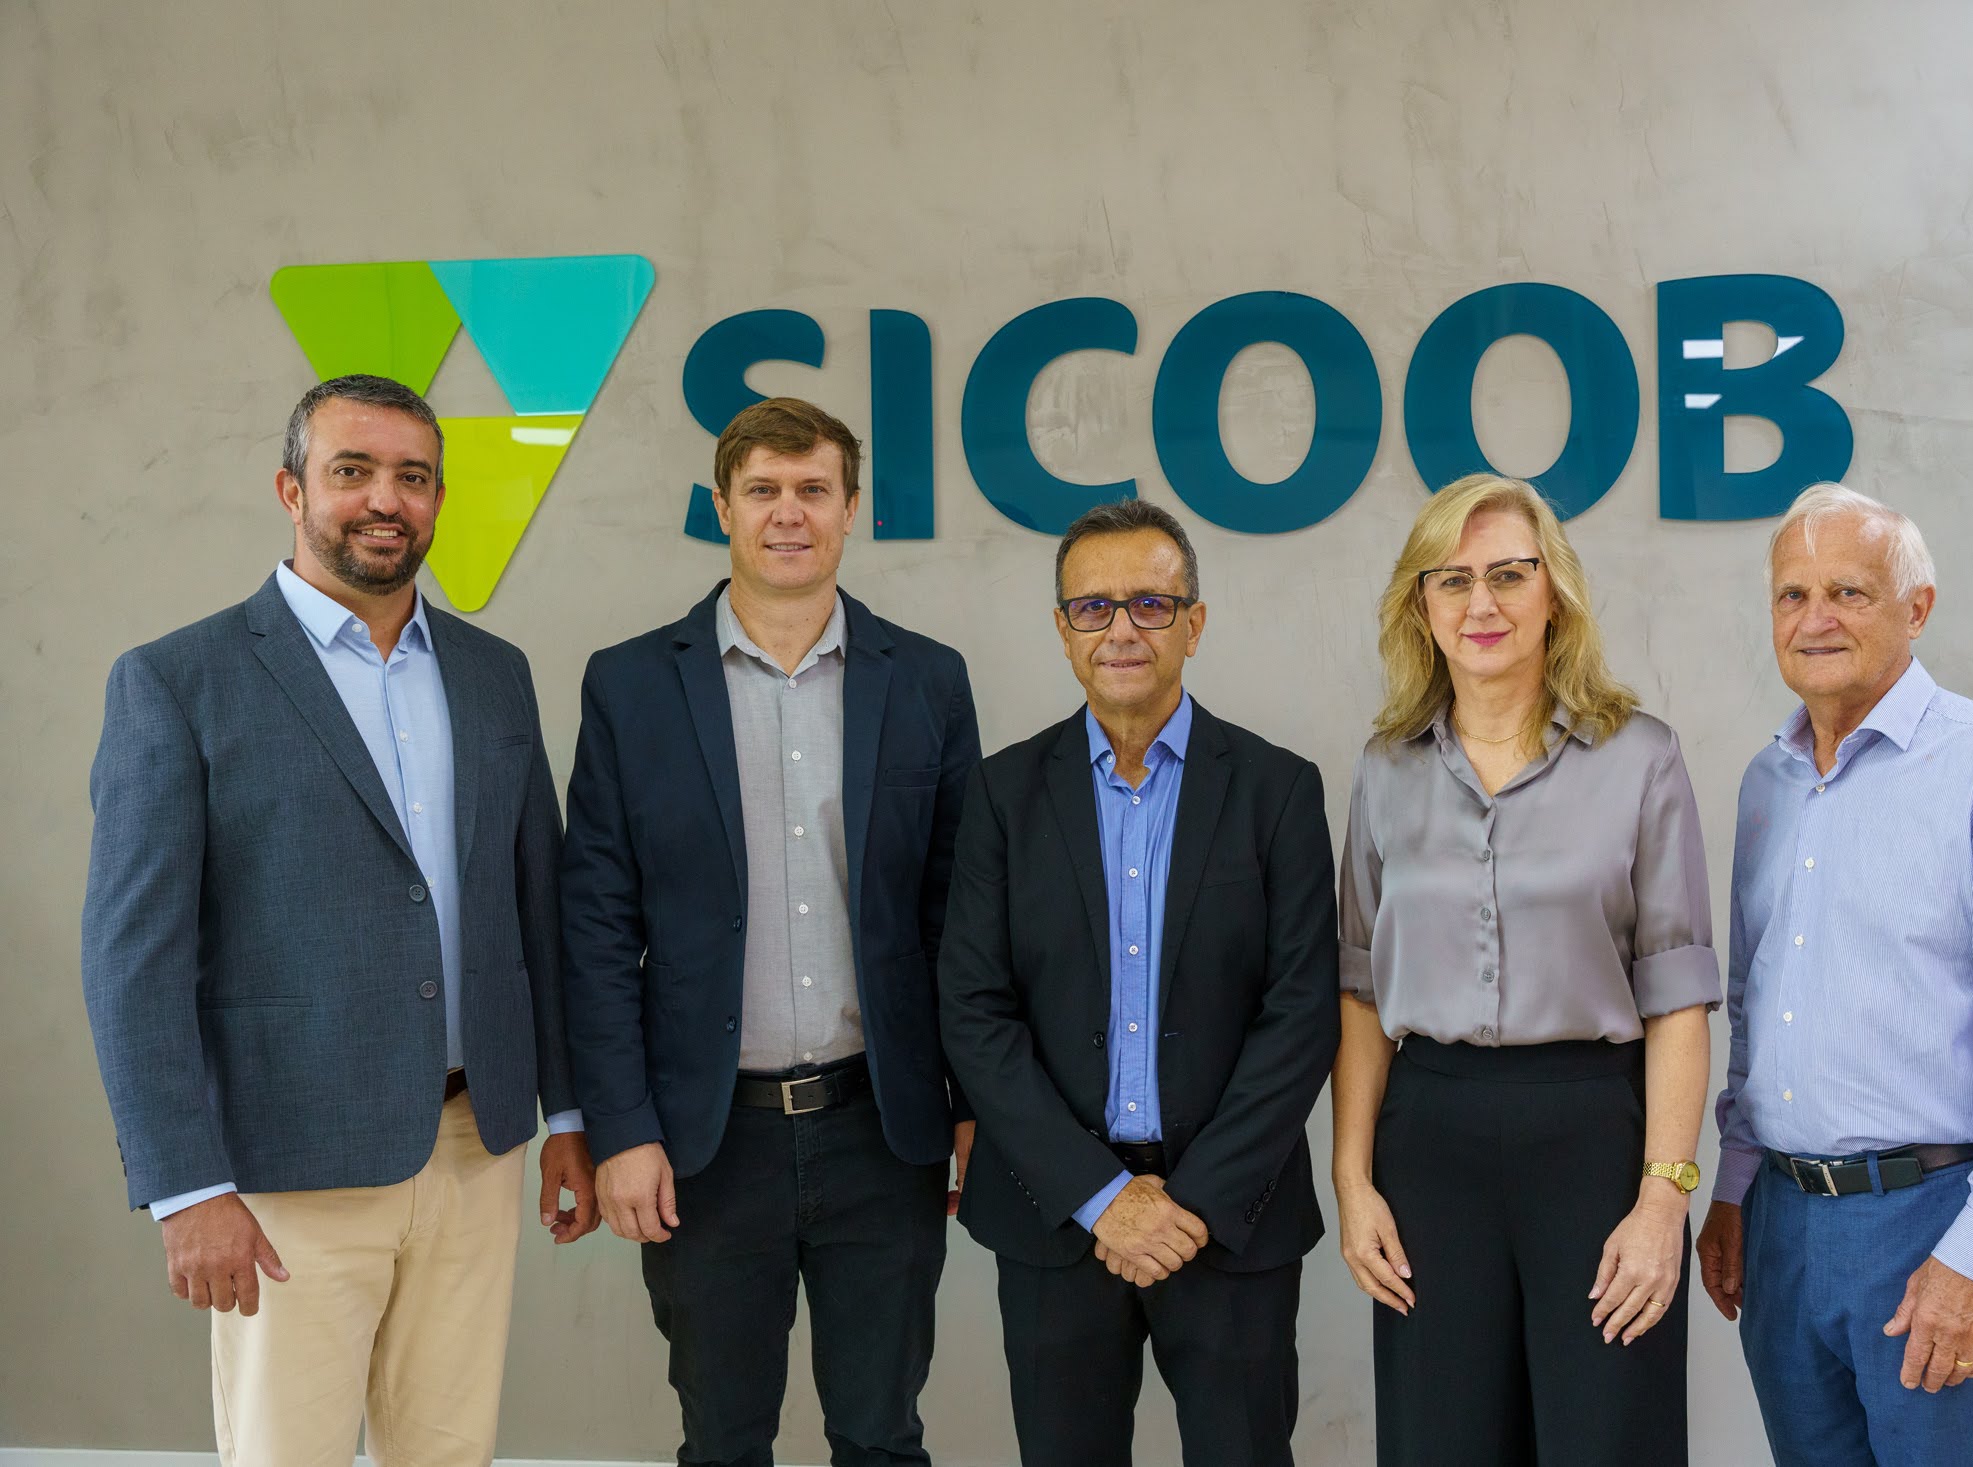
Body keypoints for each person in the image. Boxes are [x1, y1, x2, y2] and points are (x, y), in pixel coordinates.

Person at [80, 373, 596, 1467]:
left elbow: (536, 912)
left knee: (449, 1452)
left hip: (475, 1148)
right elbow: (133, 963)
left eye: (413, 476)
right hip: (286, 1162)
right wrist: (187, 1186)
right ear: (291, 489)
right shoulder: (177, 681)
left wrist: (567, 1113)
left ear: (439, 499)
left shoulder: (494, 677)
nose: (384, 499)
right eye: (351, 470)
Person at [560, 396, 980, 1467]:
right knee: (723, 1440)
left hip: (881, 1129)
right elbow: (595, 924)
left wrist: (972, 1105)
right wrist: (620, 1128)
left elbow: (961, 914)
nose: (788, 513)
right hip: (704, 1143)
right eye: (763, 490)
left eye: (812, 490)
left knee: (881, 1436)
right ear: (722, 506)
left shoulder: (928, 679)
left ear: (850, 509)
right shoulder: (629, 685)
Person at [1698, 483, 1973, 1467]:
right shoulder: (1768, 783)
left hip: (1938, 1219)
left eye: (1848, 591)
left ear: (1916, 608)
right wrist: (1735, 1188)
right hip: (1783, 1226)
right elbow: (1756, 1012)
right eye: (1792, 595)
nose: (1815, 619)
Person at [938, 499, 1339, 1467]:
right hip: (1055, 1214)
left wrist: (1189, 1202)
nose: (1121, 628)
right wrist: (1101, 1196)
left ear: (1194, 624)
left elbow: (1299, 1014)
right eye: (1093, 607)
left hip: (1229, 1220)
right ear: (1063, 629)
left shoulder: (1278, 790)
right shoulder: (1001, 794)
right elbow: (975, 1011)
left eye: (1151, 605)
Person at [1330, 473, 1718, 1466]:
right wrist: (1353, 1180)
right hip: (1429, 1143)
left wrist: (1663, 1198)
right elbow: (1361, 989)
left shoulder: (1641, 759)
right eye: (1452, 579)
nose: (1482, 603)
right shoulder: (1384, 768)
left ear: (1555, 592)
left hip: (1593, 1141)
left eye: (1508, 574)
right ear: (1421, 605)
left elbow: (1678, 998)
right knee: (1442, 1442)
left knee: (1608, 1438)